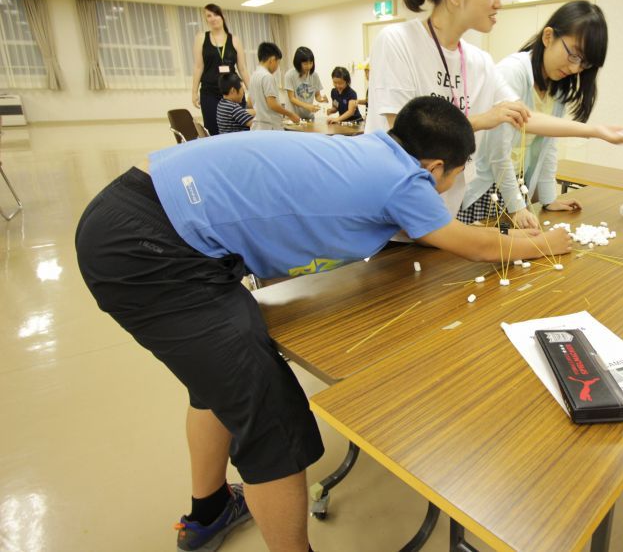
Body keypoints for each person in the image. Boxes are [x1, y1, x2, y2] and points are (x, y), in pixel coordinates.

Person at [74, 96, 571, 552]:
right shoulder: (405, 180)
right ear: (434, 166)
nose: (449, 188)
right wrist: (548, 242)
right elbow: (480, 246)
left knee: (221, 383)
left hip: (138, 207)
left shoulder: (374, 148)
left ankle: (209, 512)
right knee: (272, 414)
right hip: (151, 246)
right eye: (454, 177)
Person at [366, 0, 623, 217]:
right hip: (391, 209)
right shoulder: (398, 41)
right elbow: (404, 133)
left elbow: (525, 116)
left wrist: (596, 132)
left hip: (439, 209)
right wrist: (483, 120)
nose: (499, 3)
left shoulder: (478, 61)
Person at [460, 1, 623, 228]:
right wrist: (517, 206)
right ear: (548, 37)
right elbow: (497, 151)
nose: (576, 69)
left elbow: (547, 146)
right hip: (485, 187)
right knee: (475, 258)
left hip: (513, 186)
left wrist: (548, 199)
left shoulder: (556, 85)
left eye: (584, 63)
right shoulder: (513, 71)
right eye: (574, 55)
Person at [191, 4, 250, 135]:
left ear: (222, 16)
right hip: (209, 92)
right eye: (209, 16)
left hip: (233, 92)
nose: (213, 18)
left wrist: (253, 90)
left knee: (239, 128)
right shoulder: (201, 38)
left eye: (215, 14)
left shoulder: (234, 40)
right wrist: (194, 92)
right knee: (213, 130)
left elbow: (243, 68)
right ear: (206, 19)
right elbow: (198, 67)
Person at [249, 42, 299, 130]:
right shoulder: (267, 76)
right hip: (270, 126)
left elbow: (250, 102)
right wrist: (290, 114)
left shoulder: (254, 75)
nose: (277, 67)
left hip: (258, 126)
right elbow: (272, 104)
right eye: (278, 63)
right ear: (272, 60)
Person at [285, 47, 326, 120]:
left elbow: (317, 95)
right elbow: (291, 98)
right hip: (293, 117)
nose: (309, 66)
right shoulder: (290, 75)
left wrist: (322, 99)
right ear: (298, 63)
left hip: (309, 117)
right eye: (305, 63)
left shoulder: (314, 75)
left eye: (311, 63)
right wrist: (307, 106)